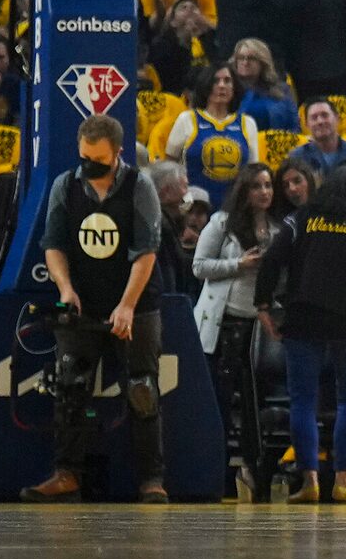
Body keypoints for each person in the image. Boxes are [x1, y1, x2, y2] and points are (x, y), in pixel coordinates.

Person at [20, 117, 168, 503]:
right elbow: (53, 244)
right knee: (69, 386)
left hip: (135, 303)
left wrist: (127, 306)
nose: (90, 165)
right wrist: (65, 287)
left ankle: (152, 479)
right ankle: (66, 473)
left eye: (98, 159)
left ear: (118, 153)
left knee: (142, 389)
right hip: (83, 302)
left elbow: (146, 251)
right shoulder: (65, 186)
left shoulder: (140, 186)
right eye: (84, 156)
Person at [258, 166, 346, 503]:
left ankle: (309, 481)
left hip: (304, 319)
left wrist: (263, 305)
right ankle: (344, 481)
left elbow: (271, 259)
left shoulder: (302, 220)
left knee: (302, 402)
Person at [191, 162, 277, 500]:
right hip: (222, 323)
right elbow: (199, 267)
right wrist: (238, 264)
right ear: (245, 189)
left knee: (255, 406)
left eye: (269, 185)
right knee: (220, 403)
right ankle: (219, 475)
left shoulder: (276, 229)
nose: (264, 192)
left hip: (257, 325)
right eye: (257, 186)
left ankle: (256, 473)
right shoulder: (222, 224)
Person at [165, 65, 263, 195]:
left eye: (227, 81)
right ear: (206, 85)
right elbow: (168, 166)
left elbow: (253, 171)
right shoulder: (187, 119)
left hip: (234, 208)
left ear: (234, 87)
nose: (222, 85)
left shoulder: (247, 123)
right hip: (194, 207)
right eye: (215, 81)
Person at [292, 99, 346, 178]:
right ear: (306, 124)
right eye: (314, 117)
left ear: (337, 118)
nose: (320, 121)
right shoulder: (298, 158)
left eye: (325, 115)